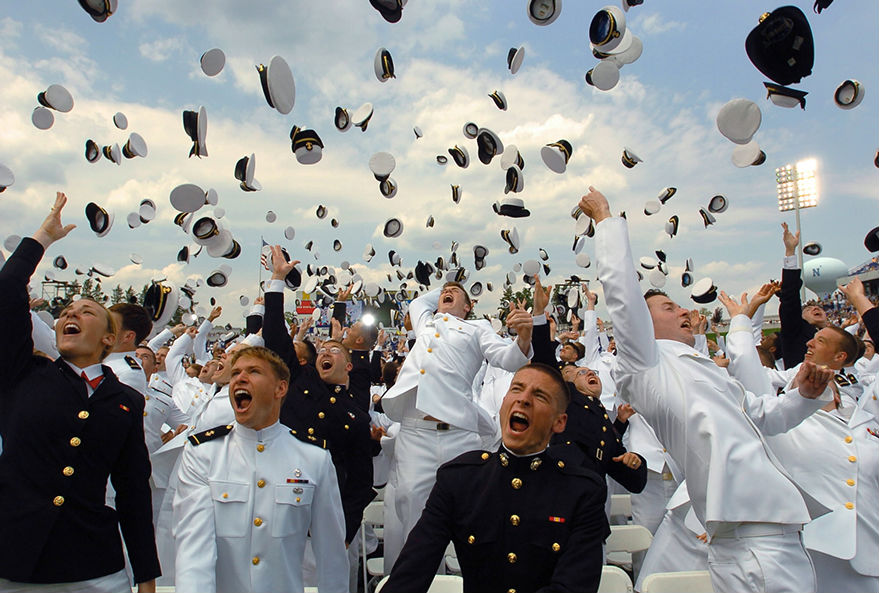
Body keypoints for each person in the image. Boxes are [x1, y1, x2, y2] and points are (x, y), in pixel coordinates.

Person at [580, 186, 836, 593]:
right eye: (669, 308)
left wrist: (803, 395)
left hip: (780, 533)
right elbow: (623, 297)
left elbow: (764, 416)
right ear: (643, 325)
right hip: (752, 541)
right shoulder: (646, 366)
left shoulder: (703, 369)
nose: (684, 310)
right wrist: (605, 220)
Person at [0, 193, 158, 592]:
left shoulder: (125, 401)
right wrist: (43, 237)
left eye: (87, 311)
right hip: (14, 563)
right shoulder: (23, 374)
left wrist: (146, 574)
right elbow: (5, 290)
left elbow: (133, 492)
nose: (71, 313)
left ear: (108, 338)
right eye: (67, 312)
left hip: (93, 568)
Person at [381, 363, 610, 593]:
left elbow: (573, 587)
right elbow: (413, 569)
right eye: (516, 389)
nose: (523, 399)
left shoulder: (582, 492)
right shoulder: (460, 480)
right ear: (503, 404)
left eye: (540, 396)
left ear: (559, 422)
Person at [722, 291, 879, 593]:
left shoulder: (864, 419)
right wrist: (741, 321)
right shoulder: (785, 424)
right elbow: (748, 369)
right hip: (815, 554)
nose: (809, 345)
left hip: (870, 557)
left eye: (819, 341)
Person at [379, 280, 534, 568]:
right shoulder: (425, 322)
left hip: (460, 435)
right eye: (443, 293)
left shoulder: (478, 328)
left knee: (473, 515)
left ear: (469, 306)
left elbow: (508, 358)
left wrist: (523, 338)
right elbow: (419, 303)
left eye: (455, 293)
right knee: (412, 509)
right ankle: (421, 581)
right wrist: (450, 283)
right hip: (416, 434)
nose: (446, 294)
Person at [173, 346, 348, 593]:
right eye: (235, 373)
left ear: (280, 388)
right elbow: (193, 552)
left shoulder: (313, 457)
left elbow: (332, 554)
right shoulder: (203, 454)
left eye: (254, 371)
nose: (240, 379)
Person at [779, 222, 830, 368]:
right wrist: (790, 252)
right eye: (808, 309)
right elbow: (790, 299)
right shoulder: (796, 332)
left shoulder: (837, 335)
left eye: (818, 308)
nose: (815, 308)